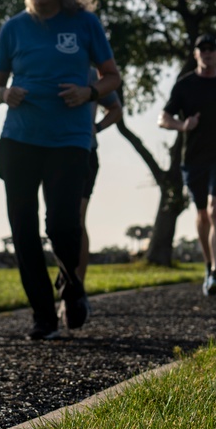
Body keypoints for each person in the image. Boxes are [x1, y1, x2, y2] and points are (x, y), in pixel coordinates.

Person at [0, 0, 121, 341]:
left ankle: (72, 286)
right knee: (23, 231)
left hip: (70, 140)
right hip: (20, 140)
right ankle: (43, 315)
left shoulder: (85, 25)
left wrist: (89, 92)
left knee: (62, 225)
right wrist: (4, 94)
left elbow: (112, 77)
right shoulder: (13, 28)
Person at [159, 34, 216, 296]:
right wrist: (182, 125)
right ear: (196, 55)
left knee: (215, 208)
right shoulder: (185, 85)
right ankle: (208, 266)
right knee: (202, 215)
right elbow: (163, 117)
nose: (207, 53)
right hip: (194, 159)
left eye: (211, 49)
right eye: (202, 50)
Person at [78, 69, 123, 283]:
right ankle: (66, 272)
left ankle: (77, 285)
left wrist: (97, 127)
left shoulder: (89, 75)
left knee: (77, 218)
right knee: (56, 222)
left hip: (85, 152)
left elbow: (116, 109)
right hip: (50, 153)